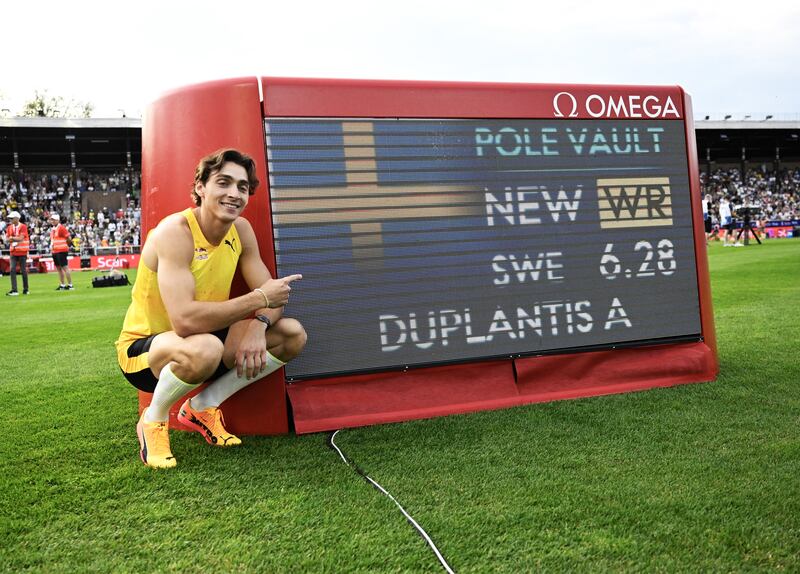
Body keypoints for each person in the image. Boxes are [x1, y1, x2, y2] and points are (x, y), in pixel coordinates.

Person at [115, 148, 306, 469]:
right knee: (202, 346)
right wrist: (260, 299)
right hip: (144, 352)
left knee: (291, 334)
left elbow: (275, 297)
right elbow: (185, 321)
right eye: (224, 182)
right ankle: (153, 419)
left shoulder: (241, 230)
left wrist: (258, 326)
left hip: (207, 341)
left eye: (242, 187)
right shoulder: (174, 232)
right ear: (201, 187)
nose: (234, 193)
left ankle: (203, 406)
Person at [5, 211, 30, 296]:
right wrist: (13, 238)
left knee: (23, 271)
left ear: (17, 218)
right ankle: (14, 290)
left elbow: (21, 238)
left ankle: (26, 289)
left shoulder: (23, 227)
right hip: (13, 251)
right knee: (12, 270)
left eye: (12, 218)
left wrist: (12, 238)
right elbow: (7, 239)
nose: (10, 219)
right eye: (10, 218)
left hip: (22, 251)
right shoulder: (9, 227)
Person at [49, 213, 74, 289]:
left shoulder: (61, 228)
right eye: (51, 220)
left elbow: (68, 238)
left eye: (53, 220)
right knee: (59, 268)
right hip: (55, 250)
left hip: (61, 250)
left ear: (57, 220)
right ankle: (62, 285)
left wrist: (68, 245)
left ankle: (70, 285)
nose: (52, 221)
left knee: (65, 267)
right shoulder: (53, 229)